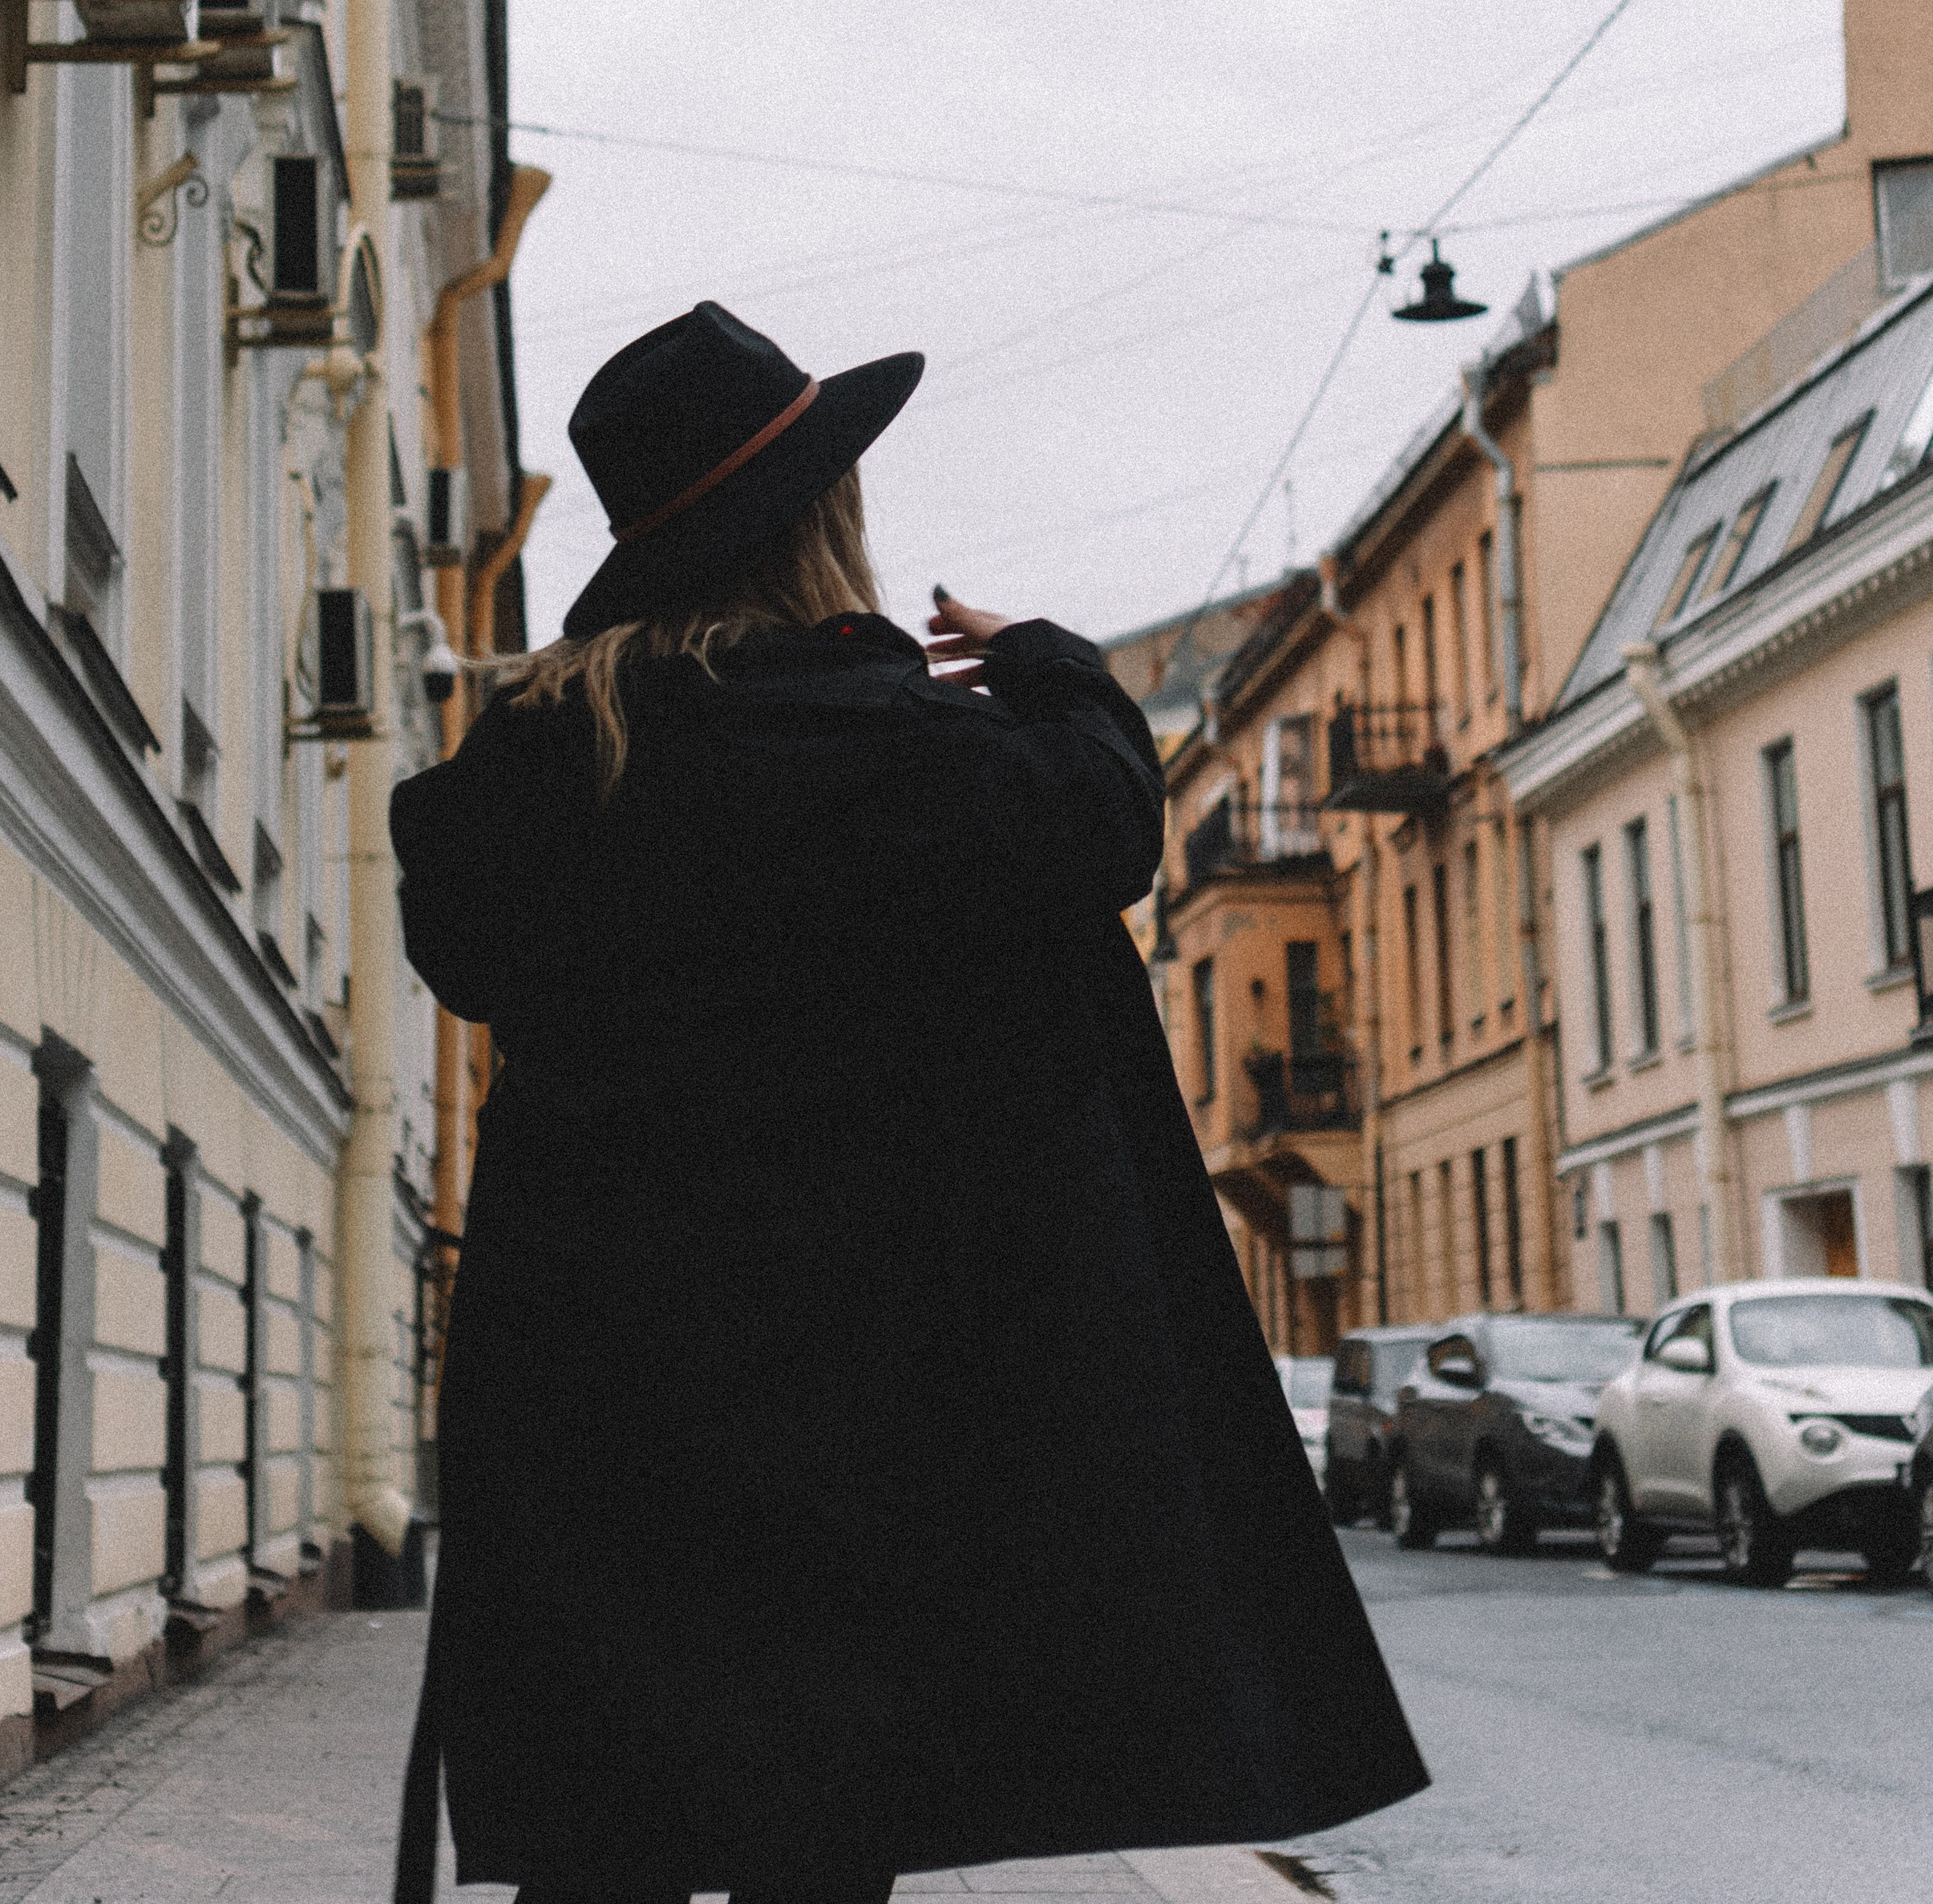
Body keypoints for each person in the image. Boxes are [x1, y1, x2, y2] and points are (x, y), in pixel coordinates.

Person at [390, 302, 1426, 1904]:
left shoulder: (535, 768)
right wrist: (1046, 663)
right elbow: (1105, 815)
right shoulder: (910, 754)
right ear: (823, 524)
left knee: (608, 1835)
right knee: (821, 1835)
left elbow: (460, 946)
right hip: (855, 1406)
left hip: (593, 1395)